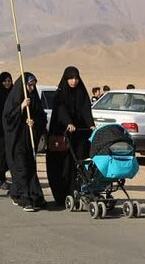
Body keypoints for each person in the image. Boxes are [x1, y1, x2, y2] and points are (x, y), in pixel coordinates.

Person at [47, 67, 95, 207]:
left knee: (79, 164)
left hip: (79, 135)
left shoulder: (81, 92)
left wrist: (91, 124)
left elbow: (86, 109)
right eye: (71, 78)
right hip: (63, 136)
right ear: (66, 79)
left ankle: (79, 192)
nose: (74, 81)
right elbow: (61, 110)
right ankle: (63, 195)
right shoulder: (60, 94)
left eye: (76, 78)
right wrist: (68, 122)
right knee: (64, 165)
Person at [3, 73, 47, 212]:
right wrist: (21, 108)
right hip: (16, 141)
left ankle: (28, 195)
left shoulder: (34, 99)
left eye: (34, 85)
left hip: (29, 140)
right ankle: (26, 199)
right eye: (29, 85)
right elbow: (7, 120)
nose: (32, 88)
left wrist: (33, 123)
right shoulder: (14, 99)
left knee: (30, 168)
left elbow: (42, 118)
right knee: (22, 169)